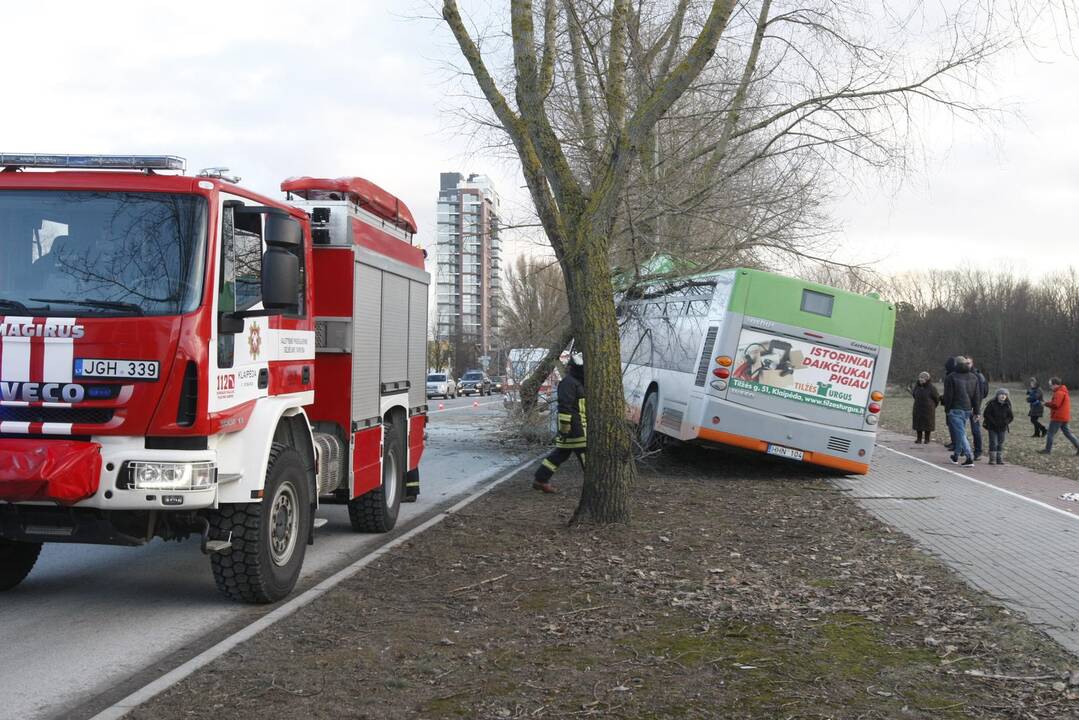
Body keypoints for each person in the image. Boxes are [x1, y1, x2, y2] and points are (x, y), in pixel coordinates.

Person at [532, 352, 586, 493]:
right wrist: (565, 427)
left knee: (560, 454)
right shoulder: (569, 383)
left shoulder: (578, 382)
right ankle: (596, 486)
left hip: (578, 427)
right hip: (575, 429)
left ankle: (540, 479)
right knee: (587, 455)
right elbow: (564, 407)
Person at [942, 356, 982, 467]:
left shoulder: (951, 377)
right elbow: (976, 396)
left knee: (961, 433)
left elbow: (948, 395)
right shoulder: (973, 377)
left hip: (955, 409)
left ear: (956, 364)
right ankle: (956, 455)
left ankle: (969, 457)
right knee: (960, 432)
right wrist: (977, 411)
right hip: (968, 409)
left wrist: (947, 409)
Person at [1038, 377, 1079, 456]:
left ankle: (1047, 450)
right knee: (1068, 433)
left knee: (1050, 433)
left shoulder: (1059, 393)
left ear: (1056, 384)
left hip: (1058, 417)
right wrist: (1047, 403)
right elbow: (1055, 403)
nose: (1050, 387)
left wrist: (1045, 404)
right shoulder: (1062, 391)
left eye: (1051, 385)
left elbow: (1055, 405)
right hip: (1064, 416)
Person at [982, 388, 1014, 465]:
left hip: (1002, 428)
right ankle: (992, 459)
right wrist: (993, 422)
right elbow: (986, 414)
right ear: (997, 395)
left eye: (1005, 395)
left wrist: (1005, 422)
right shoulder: (992, 404)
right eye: (1001, 394)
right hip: (992, 427)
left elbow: (1011, 417)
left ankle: (999, 459)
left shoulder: (1007, 405)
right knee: (993, 442)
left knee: (1000, 443)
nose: (1003, 396)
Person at [967, 356, 989, 459]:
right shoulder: (960, 374)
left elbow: (982, 393)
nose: (966, 365)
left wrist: (976, 407)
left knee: (975, 430)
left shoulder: (978, 376)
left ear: (972, 363)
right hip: (963, 406)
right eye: (965, 363)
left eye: (968, 363)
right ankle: (963, 449)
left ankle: (978, 451)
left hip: (974, 406)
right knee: (960, 429)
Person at [910, 371, 940, 444]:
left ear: (927, 379)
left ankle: (927, 439)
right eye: (920, 378)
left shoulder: (932, 388)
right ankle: (919, 439)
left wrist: (932, 406)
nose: (921, 380)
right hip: (918, 408)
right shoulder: (916, 387)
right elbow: (914, 395)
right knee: (918, 424)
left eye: (923, 378)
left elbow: (936, 398)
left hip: (928, 409)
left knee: (928, 424)